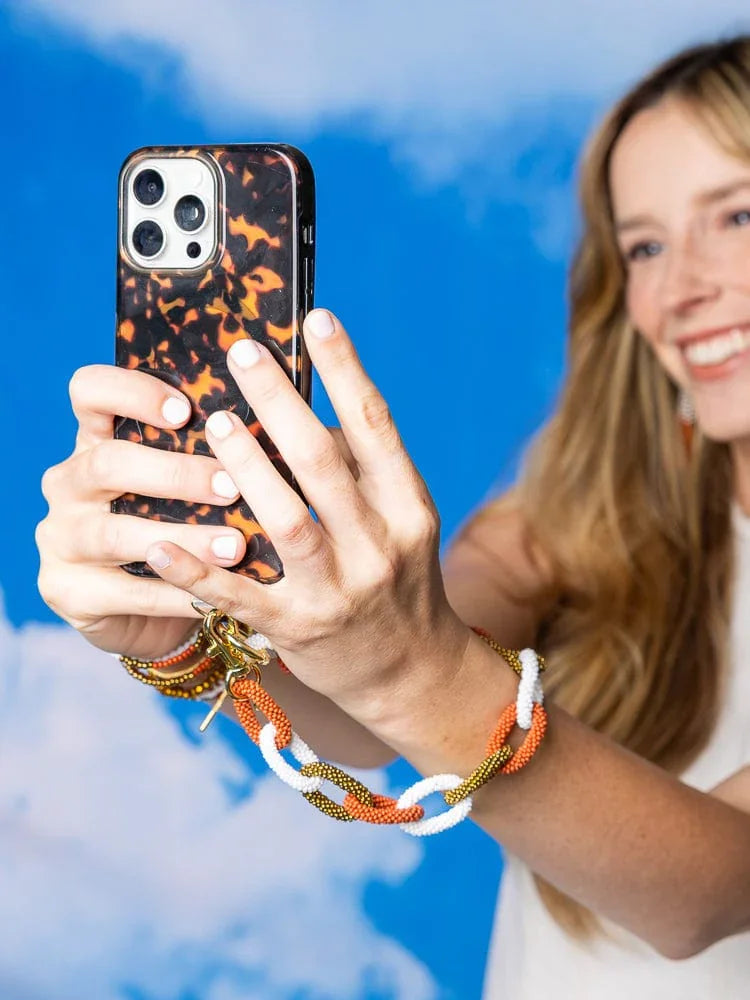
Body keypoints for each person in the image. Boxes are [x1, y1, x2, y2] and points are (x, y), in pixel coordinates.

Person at [35, 34, 750, 999]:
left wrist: (416, 669)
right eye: (647, 246)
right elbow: (365, 724)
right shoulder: (574, 522)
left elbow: (706, 893)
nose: (682, 289)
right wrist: (201, 632)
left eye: (737, 216)